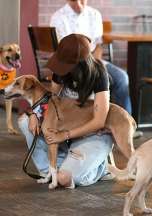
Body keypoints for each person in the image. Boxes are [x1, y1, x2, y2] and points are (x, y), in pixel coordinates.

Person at [18, 34, 113, 188]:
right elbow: (52, 100)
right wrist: (35, 113)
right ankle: (49, 171)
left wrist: (64, 135)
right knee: (25, 121)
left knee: (64, 179)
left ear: (79, 63)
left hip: (94, 133)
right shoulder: (61, 71)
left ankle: (100, 169)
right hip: (67, 130)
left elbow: (100, 121)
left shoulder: (99, 74)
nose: (60, 67)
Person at [50, 0, 132, 114]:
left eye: (82, 0)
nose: (78, 4)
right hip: (70, 64)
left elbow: (98, 46)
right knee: (83, 79)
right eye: (74, 0)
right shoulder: (58, 17)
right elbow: (63, 51)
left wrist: (93, 67)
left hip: (94, 60)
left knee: (122, 77)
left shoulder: (95, 15)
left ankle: (123, 122)